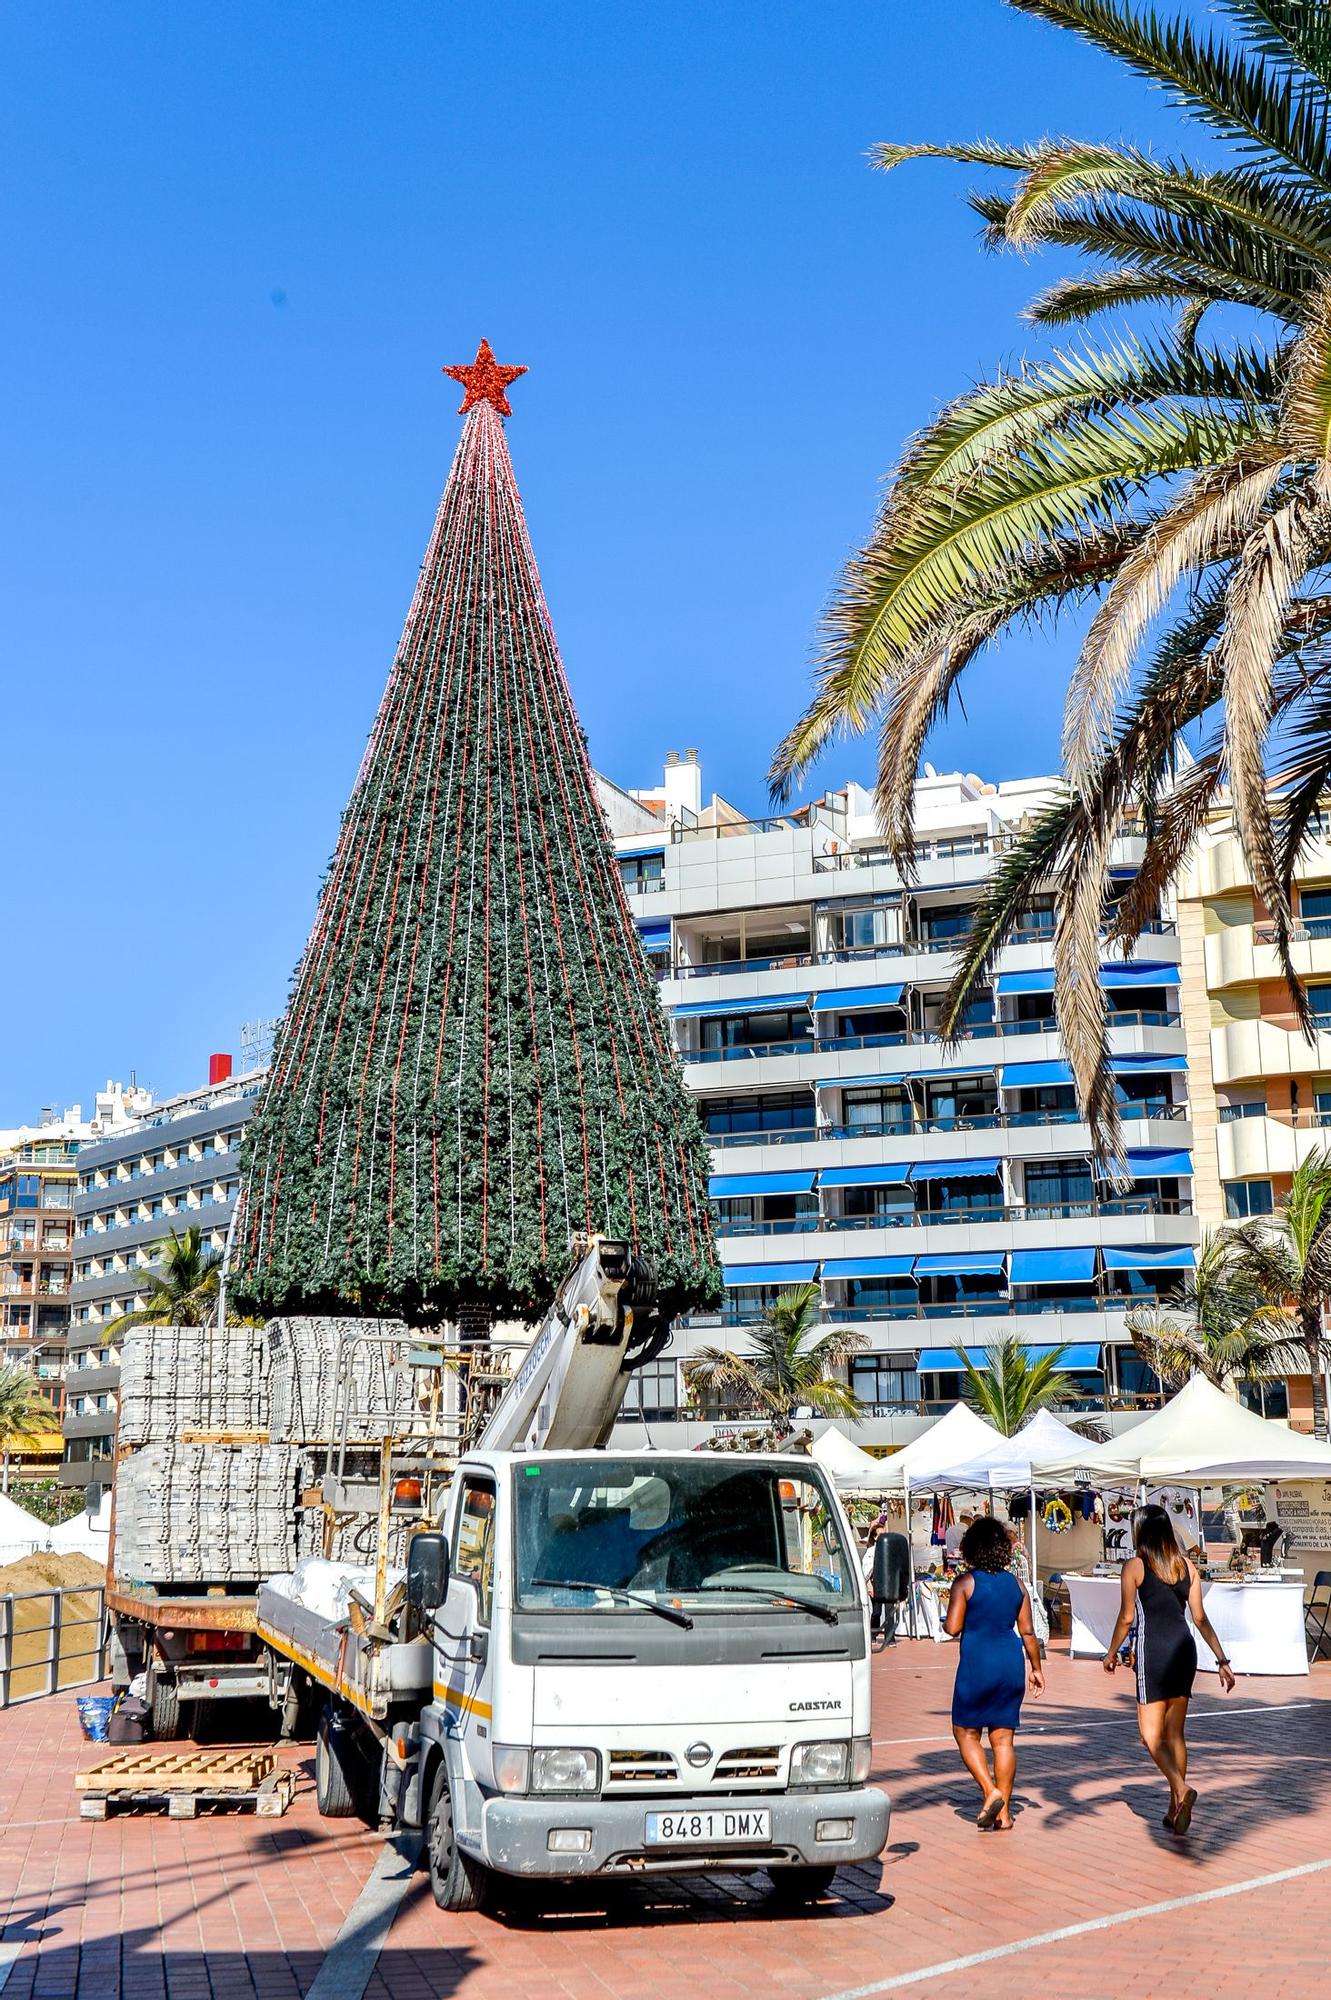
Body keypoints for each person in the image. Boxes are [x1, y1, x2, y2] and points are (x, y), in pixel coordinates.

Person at [1102, 1503, 1236, 1834]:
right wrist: (1222, 1660)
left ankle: (1180, 1788)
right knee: (1175, 1733)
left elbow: (1127, 1617)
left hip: (1154, 1651)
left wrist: (1111, 1652)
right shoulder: (1187, 1566)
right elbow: (1200, 1618)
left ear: (1141, 1531)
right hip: (1184, 1649)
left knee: (1150, 1735)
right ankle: (1175, 1808)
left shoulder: (1134, 1566)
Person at [945, 1515, 1044, 1831]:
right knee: (1003, 1740)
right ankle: (1005, 1815)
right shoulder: (1017, 1584)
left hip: (978, 1663)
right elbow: (1028, 1632)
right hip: (1009, 1663)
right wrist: (1037, 1669)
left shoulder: (965, 1582)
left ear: (971, 1548)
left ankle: (991, 1792)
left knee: (965, 1732)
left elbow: (953, 1627)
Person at [871, 1520, 910, 1648]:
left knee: (889, 1612)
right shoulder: (872, 1551)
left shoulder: (890, 1549)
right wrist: (868, 1586)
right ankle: (873, 1634)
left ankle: (890, 1638)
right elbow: (867, 1570)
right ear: (875, 1537)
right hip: (875, 1585)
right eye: (880, 1535)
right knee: (876, 1612)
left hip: (889, 1585)